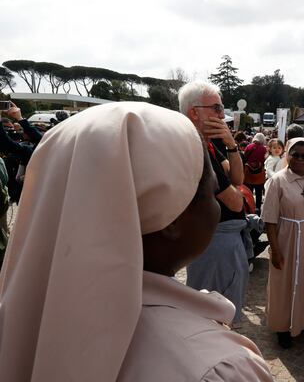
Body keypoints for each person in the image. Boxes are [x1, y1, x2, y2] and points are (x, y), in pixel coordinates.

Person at [0, 102, 272, 381]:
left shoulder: (24, 313)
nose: (217, 207)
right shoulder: (220, 367)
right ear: (173, 221)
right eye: (211, 190)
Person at [178, 80, 249, 323]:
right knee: (215, 314)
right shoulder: (195, 146)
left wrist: (231, 144)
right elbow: (236, 202)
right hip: (216, 240)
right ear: (194, 112)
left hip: (216, 237)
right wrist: (239, 192)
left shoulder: (209, 142)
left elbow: (238, 177)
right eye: (216, 108)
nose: (222, 114)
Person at [261, 138, 304, 349]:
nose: (299, 159)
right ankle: (282, 326)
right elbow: (269, 219)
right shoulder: (277, 181)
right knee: (283, 282)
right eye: (295, 154)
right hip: (286, 237)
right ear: (287, 154)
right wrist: (275, 249)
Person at [244, 133, 267, 211]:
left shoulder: (248, 146)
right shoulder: (264, 149)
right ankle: (258, 207)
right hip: (259, 174)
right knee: (259, 191)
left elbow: (244, 158)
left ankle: (249, 206)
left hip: (248, 173)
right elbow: (265, 160)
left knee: (249, 191)